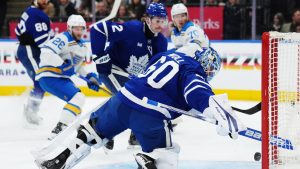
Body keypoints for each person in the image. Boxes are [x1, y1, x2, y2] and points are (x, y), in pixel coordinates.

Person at [34, 41, 246, 169]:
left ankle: (59, 159)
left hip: (121, 100)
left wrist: (206, 112)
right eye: (210, 71)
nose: (209, 75)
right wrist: (219, 114)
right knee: (166, 157)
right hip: (149, 113)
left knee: (92, 132)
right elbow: (196, 92)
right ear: (207, 65)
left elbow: (157, 81)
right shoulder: (193, 70)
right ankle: (149, 159)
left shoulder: (167, 55)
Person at [90, 2, 168, 149]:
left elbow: (155, 69)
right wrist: (100, 58)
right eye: (157, 21)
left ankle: (133, 133)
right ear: (147, 19)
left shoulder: (161, 42)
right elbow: (97, 29)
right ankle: (99, 124)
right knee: (129, 100)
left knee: (144, 99)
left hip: (132, 77)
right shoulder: (131, 29)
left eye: (163, 21)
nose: (160, 25)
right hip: (113, 70)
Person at [35, 15, 100, 139]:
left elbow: (77, 67)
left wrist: (89, 76)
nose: (80, 32)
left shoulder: (82, 47)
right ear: (69, 28)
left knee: (77, 105)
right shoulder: (63, 38)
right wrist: (63, 64)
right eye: (76, 29)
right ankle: (59, 128)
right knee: (78, 98)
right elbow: (46, 52)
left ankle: (74, 126)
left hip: (60, 78)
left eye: (82, 29)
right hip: (49, 76)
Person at [15, 0, 51, 126]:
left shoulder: (29, 11)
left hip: (28, 50)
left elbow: (17, 31)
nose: (45, 1)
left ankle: (31, 110)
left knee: (41, 81)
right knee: (41, 81)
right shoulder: (38, 15)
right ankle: (31, 112)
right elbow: (43, 42)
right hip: (30, 51)